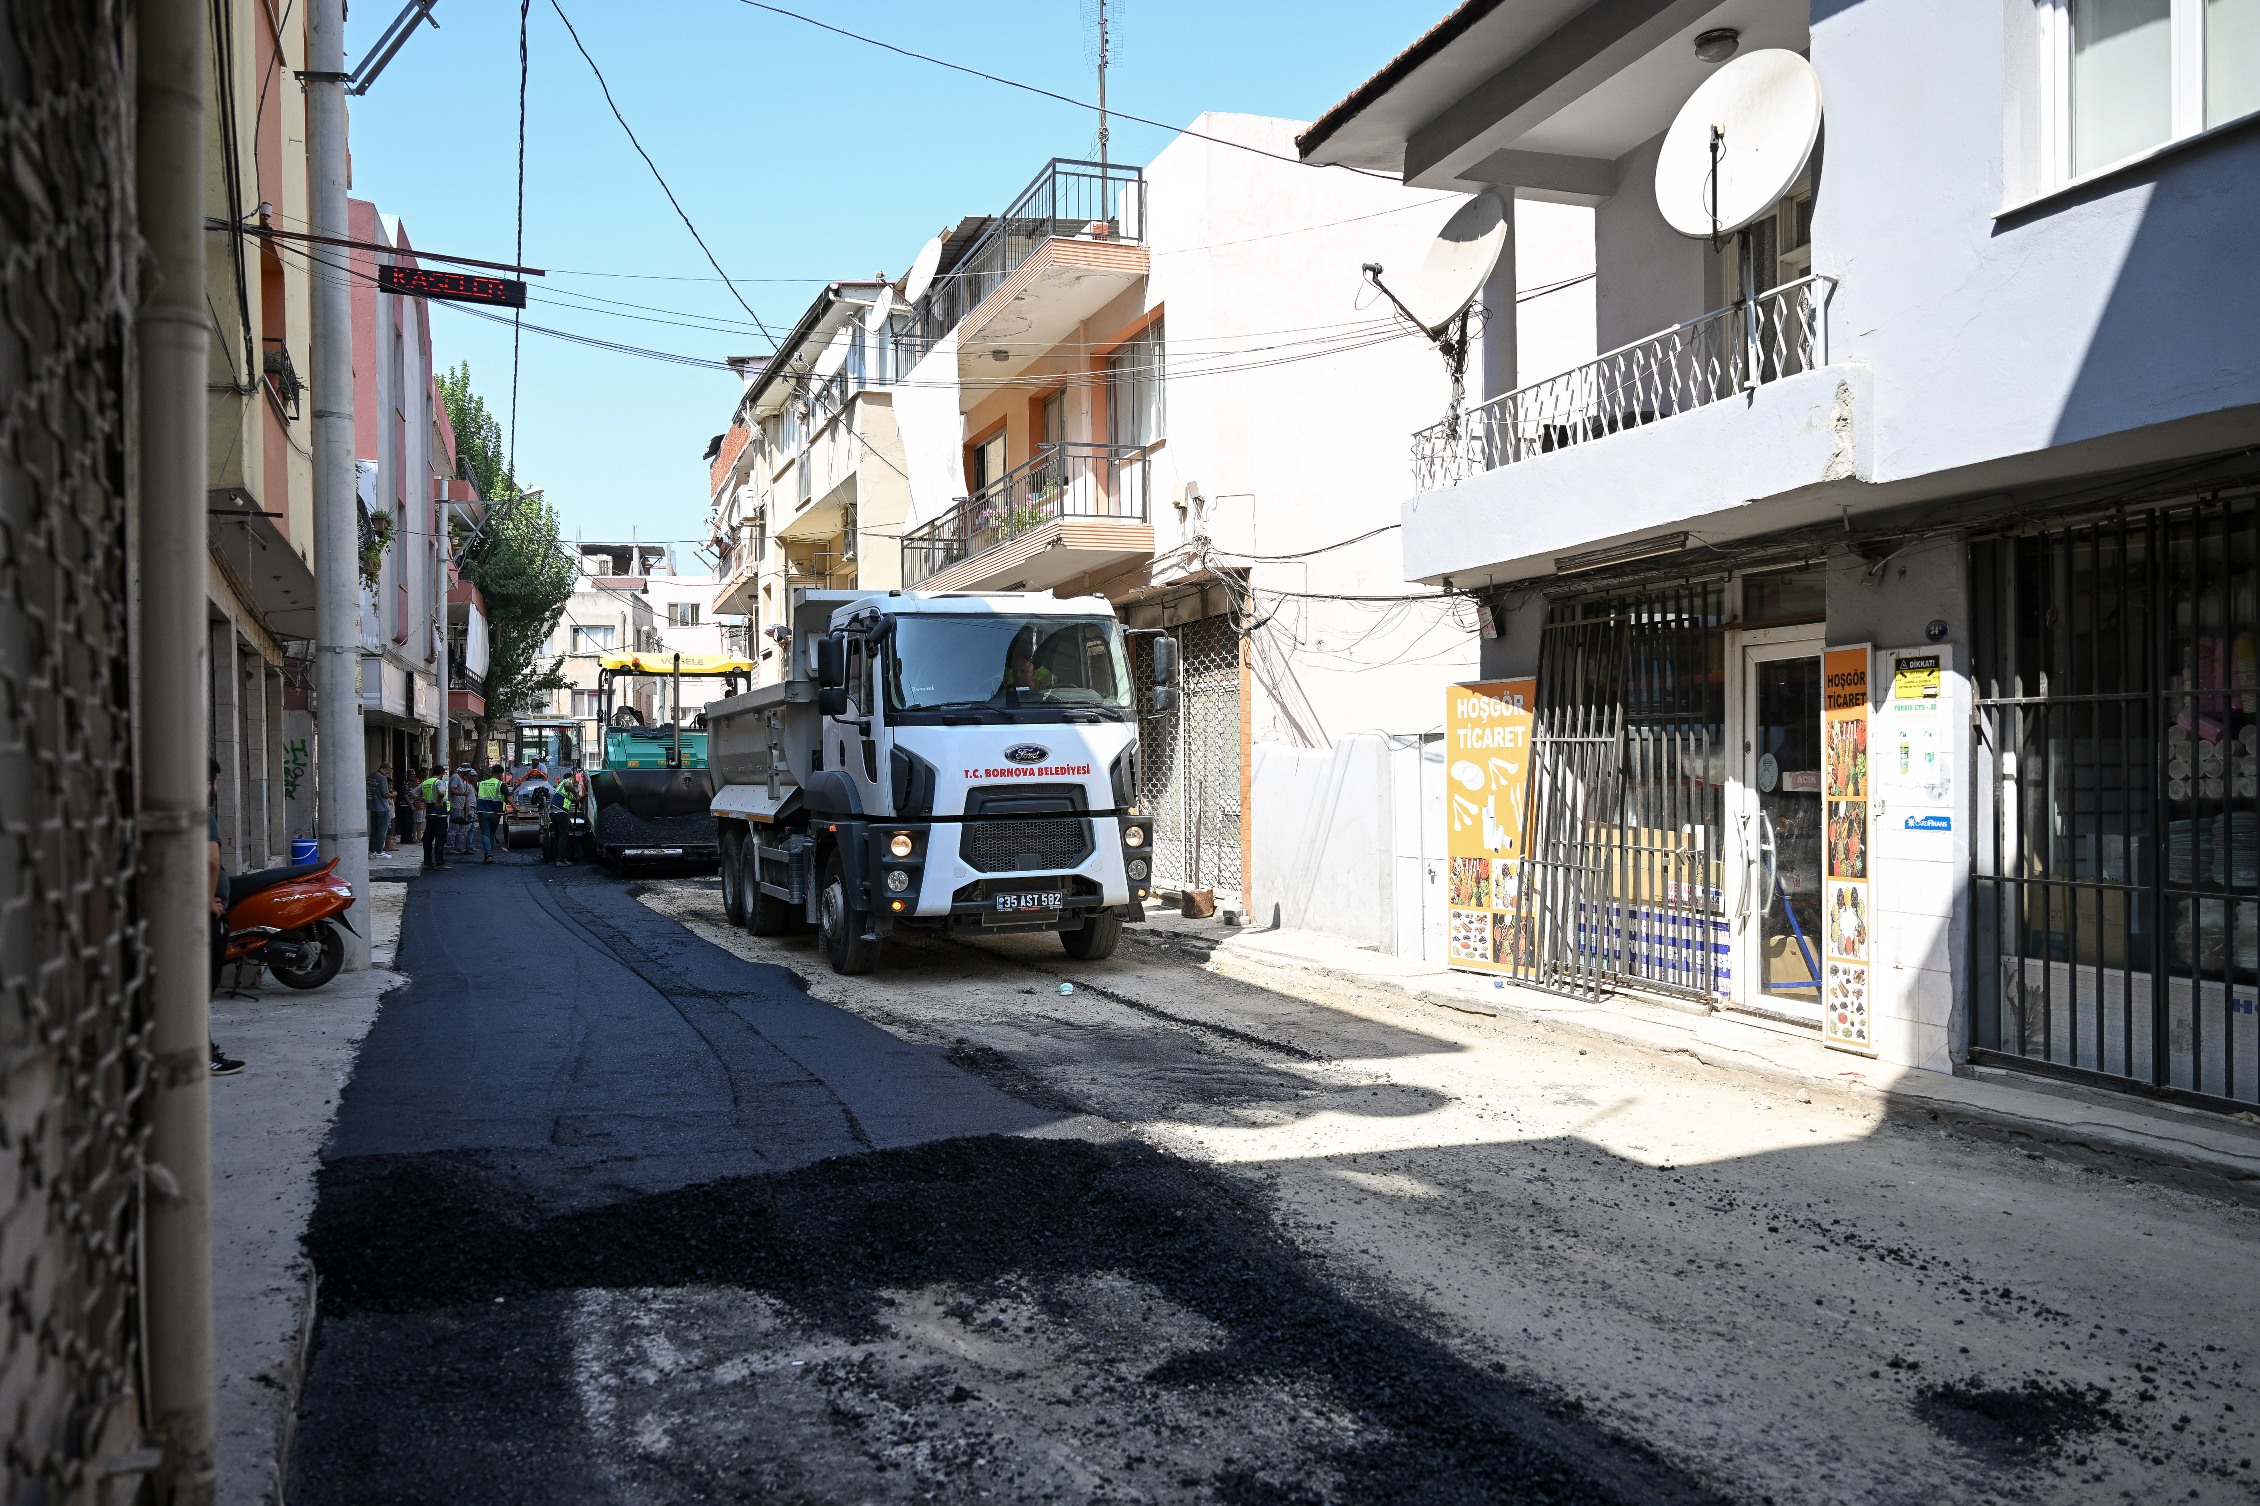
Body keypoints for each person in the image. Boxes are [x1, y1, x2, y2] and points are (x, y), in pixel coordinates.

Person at [209, 759, 244, 1076]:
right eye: (217, 781)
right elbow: (211, 860)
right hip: (206, 915)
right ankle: (202, 1052)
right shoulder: (202, 816)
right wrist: (208, 899)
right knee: (204, 984)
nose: (218, 787)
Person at [417, 764, 450, 870]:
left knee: (428, 838)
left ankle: (427, 862)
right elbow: (441, 792)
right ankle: (439, 863)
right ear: (442, 773)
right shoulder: (439, 782)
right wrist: (438, 801)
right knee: (440, 838)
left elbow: (413, 793)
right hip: (440, 813)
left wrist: (425, 801)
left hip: (429, 813)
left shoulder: (425, 782)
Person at [476, 763, 507, 863]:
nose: (502, 777)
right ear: (499, 774)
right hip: (495, 813)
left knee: (485, 834)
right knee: (492, 833)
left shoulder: (480, 784)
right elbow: (509, 797)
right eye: (502, 775)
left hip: (482, 812)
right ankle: (489, 854)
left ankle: (488, 854)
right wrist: (515, 808)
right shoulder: (501, 784)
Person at [448, 763, 476, 854]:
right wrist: (462, 794)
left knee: (461, 828)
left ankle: (459, 847)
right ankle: (450, 848)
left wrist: (466, 807)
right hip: (455, 806)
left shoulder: (462, 779)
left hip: (460, 806)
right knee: (454, 827)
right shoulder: (456, 777)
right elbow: (452, 790)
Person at [366, 763, 392, 855]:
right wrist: (393, 795)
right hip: (382, 807)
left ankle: (372, 851)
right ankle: (379, 851)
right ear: (385, 768)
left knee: (374, 830)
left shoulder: (370, 777)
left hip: (372, 807)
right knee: (382, 831)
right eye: (389, 769)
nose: (389, 772)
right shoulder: (382, 778)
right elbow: (385, 794)